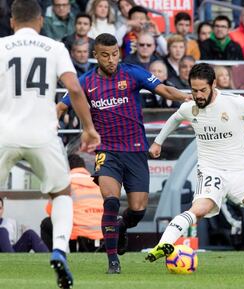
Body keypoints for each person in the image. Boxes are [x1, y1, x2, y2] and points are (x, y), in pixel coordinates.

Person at [145, 63, 244, 275]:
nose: (198, 95)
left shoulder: (235, 102)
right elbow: (175, 118)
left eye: (202, 90)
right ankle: (163, 244)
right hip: (211, 170)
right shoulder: (190, 106)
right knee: (199, 209)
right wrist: (158, 142)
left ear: (213, 85)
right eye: (194, 90)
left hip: (240, 170)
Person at [61, 33, 190, 274]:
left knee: (138, 210)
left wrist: (188, 97)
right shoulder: (85, 82)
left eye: (114, 54)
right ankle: (113, 262)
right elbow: (62, 104)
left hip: (136, 150)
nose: (111, 60)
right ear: (95, 55)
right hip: (107, 151)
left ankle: (120, 229)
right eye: (105, 55)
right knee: (110, 201)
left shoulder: (132, 73)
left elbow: (165, 90)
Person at [0, 1, 100, 288]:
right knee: (61, 193)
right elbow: (75, 88)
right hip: (43, 134)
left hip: (4, 132)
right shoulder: (54, 47)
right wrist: (88, 128)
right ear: (40, 22)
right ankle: (59, 249)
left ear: (12, 22)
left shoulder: (1, 46)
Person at [41, 154, 104, 252]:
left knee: (46, 223)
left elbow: (50, 211)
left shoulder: (65, 183)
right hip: (101, 234)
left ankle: (52, 256)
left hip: (79, 234)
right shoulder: (97, 184)